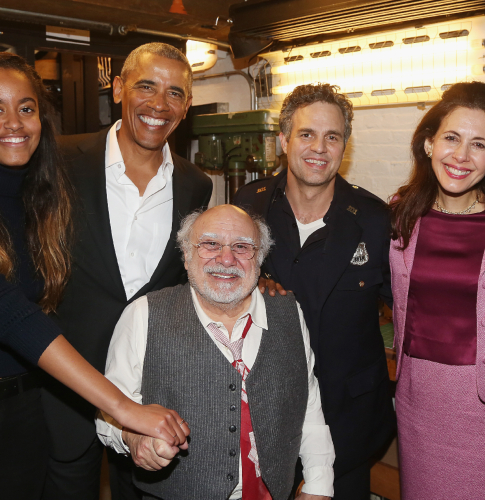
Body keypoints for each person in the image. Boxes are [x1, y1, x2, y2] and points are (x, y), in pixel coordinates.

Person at [0, 52, 188, 500]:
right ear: (119, 90)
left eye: (26, 108)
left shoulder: (34, 191)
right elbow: (6, 310)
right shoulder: (63, 167)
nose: (14, 122)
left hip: (26, 407)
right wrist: (124, 408)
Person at [40, 43, 212, 500]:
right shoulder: (58, 159)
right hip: (63, 386)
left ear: (187, 105)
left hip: (147, 389)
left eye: (175, 92)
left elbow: (184, 281)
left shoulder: (196, 184)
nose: (159, 105)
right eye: (146, 86)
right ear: (118, 89)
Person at [97, 204, 334, 500]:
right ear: (186, 255)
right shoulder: (142, 315)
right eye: (210, 244)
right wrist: (131, 436)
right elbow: (108, 409)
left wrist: (318, 484)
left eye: (242, 247)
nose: (226, 259)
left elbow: (308, 404)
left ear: (259, 260)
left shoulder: (289, 313)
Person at [234, 83, 394, 500]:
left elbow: (407, 308)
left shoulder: (375, 219)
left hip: (349, 417)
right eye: (306, 134)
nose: (319, 147)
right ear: (284, 140)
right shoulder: (247, 206)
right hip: (266, 411)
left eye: (332, 136)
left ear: (345, 146)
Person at [388, 81, 485, 499]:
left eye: (479, 145)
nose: (461, 156)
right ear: (429, 144)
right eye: (451, 138)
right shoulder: (401, 214)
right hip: (420, 400)